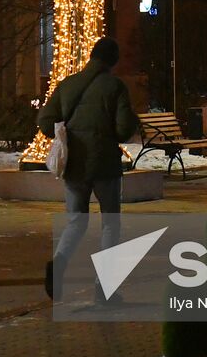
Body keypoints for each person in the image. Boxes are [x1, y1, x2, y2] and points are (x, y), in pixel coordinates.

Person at [39, 37, 139, 300]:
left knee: (76, 221)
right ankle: (103, 288)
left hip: (75, 165)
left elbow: (45, 121)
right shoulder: (115, 87)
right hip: (105, 164)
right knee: (110, 224)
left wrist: (66, 134)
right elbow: (123, 130)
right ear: (112, 61)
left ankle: (58, 264)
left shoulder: (69, 84)